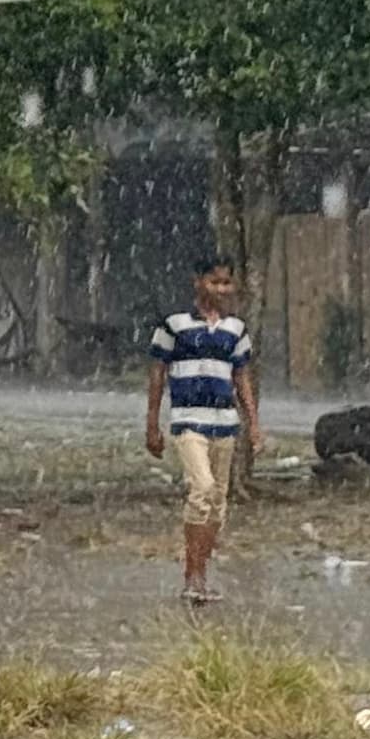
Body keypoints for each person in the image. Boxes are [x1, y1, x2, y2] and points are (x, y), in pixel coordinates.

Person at [146, 256, 260, 604]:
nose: (222, 290)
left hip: (225, 423)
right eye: (215, 282)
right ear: (198, 282)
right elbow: (156, 374)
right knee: (203, 490)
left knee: (218, 504)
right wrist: (152, 423)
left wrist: (254, 424)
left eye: (227, 283)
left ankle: (202, 573)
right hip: (188, 420)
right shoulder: (174, 325)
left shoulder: (235, 330)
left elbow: (241, 377)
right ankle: (191, 574)